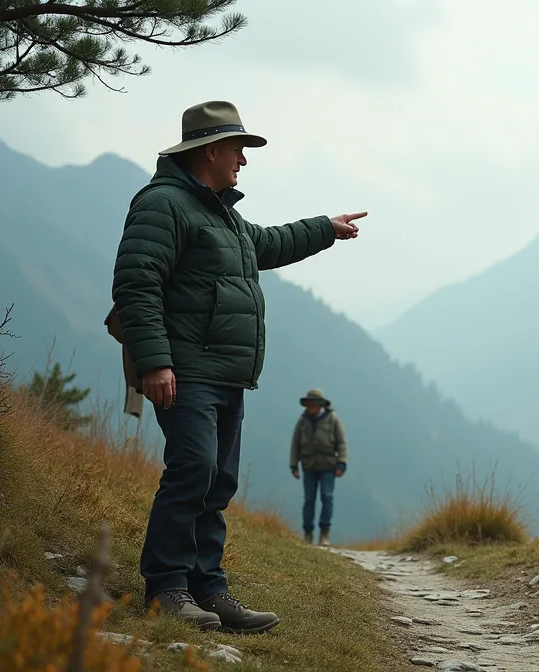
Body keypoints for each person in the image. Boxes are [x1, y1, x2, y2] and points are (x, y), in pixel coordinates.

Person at [109, 100, 366, 634]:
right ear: (210, 150)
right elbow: (137, 285)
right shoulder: (163, 205)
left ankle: (209, 589)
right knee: (193, 472)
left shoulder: (219, 211)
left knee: (218, 480)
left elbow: (266, 243)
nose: (243, 161)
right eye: (237, 149)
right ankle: (166, 588)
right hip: (186, 370)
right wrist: (156, 363)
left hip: (226, 374)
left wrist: (324, 227)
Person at [289, 388, 348, 546]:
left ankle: (324, 533)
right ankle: (308, 534)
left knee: (327, 497)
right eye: (308, 405)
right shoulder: (302, 421)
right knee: (309, 500)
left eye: (312, 404)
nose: (310, 408)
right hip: (309, 466)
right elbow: (295, 444)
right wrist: (294, 465)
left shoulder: (333, 419)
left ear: (319, 405)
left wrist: (342, 463)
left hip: (329, 466)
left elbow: (341, 442)